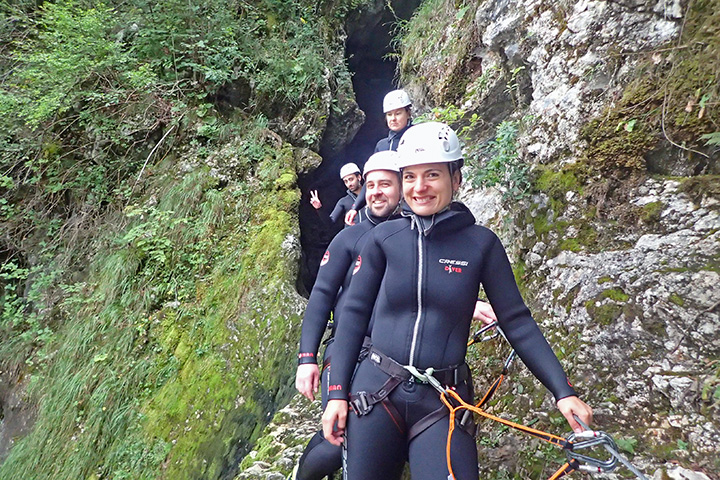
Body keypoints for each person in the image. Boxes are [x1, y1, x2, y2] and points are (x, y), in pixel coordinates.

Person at [321, 122, 593, 480]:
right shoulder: (383, 239)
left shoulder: (481, 244)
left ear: (456, 178)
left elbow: (517, 321)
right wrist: (338, 393)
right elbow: (353, 315)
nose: (420, 188)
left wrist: (563, 391)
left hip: (444, 401)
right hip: (375, 392)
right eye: (411, 176)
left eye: (432, 174)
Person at [344, 89, 413, 226]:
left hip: (410, 206)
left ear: (408, 113)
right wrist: (355, 207)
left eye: (398, 113)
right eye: (389, 114)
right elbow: (371, 180)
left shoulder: (415, 137)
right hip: (387, 207)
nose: (393, 118)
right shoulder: (382, 145)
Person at [309, 162, 365, 230]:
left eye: (351, 179)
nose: (349, 184)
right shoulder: (343, 202)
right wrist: (319, 208)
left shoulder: (371, 194)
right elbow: (330, 223)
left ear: (359, 177)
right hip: (355, 235)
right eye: (345, 181)